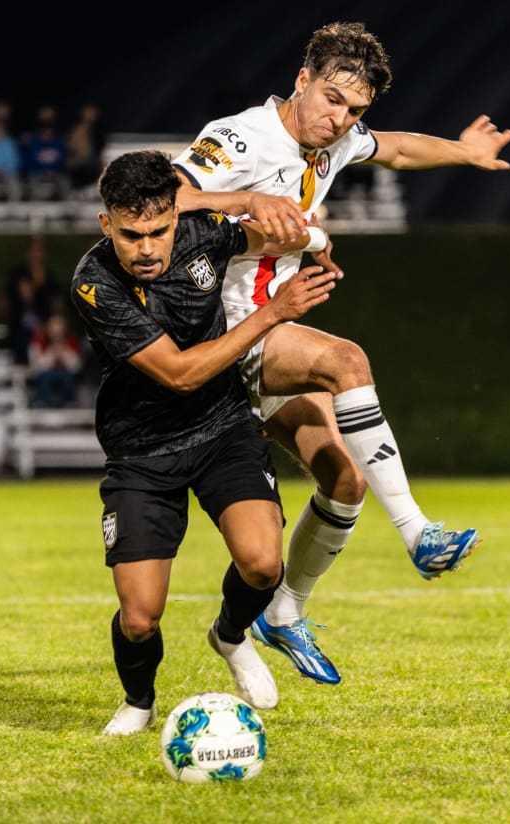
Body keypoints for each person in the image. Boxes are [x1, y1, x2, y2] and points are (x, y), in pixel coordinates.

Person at [172, 20, 510, 683]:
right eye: (332, 99)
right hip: (221, 328)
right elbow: (173, 197)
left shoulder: (337, 140)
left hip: (268, 325)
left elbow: (398, 151)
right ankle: (418, 532)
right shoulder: (240, 136)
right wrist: (247, 200)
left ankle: (281, 614)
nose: (340, 120)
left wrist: (464, 154)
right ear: (302, 80)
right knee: (346, 361)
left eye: (354, 110)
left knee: (345, 479)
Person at [70, 150, 337, 734]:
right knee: (140, 618)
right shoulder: (94, 284)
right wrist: (272, 315)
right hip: (141, 453)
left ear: (176, 215)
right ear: (106, 225)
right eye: (131, 234)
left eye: (159, 230)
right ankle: (139, 702)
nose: (146, 248)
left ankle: (230, 635)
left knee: (264, 563)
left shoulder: (203, 231)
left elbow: (265, 238)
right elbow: (180, 373)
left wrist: (315, 242)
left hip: (223, 430)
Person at [2, 233, 65, 364]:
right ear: (28, 252)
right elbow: (7, 302)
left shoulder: (49, 276)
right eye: (34, 250)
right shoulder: (18, 274)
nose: (37, 254)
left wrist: (52, 320)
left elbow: (56, 301)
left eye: (40, 250)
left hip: (44, 328)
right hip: (21, 329)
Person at [27, 312, 82, 408]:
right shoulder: (39, 340)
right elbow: (35, 364)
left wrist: (64, 355)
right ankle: (42, 403)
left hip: (64, 373)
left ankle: (69, 403)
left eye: (60, 328)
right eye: (54, 327)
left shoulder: (71, 340)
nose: (57, 331)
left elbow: (76, 366)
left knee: (67, 378)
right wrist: (50, 355)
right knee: (45, 378)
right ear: (48, 328)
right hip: (45, 373)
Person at [19, 104, 70, 201]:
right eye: (45, 132)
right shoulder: (34, 144)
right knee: (32, 181)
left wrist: (52, 171)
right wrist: (43, 171)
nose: (47, 134)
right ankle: (35, 204)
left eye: (49, 132)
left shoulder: (58, 143)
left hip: (55, 173)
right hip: (38, 173)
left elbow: (62, 161)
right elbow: (29, 162)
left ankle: (65, 206)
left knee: (65, 181)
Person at [64, 102, 107, 193]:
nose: (90, 115)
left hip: (91, 164)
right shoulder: (76, 129)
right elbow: (70, 147)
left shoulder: (99, 132)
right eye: (87, 112)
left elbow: (99, 152)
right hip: (76, 165)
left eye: (92, 113)